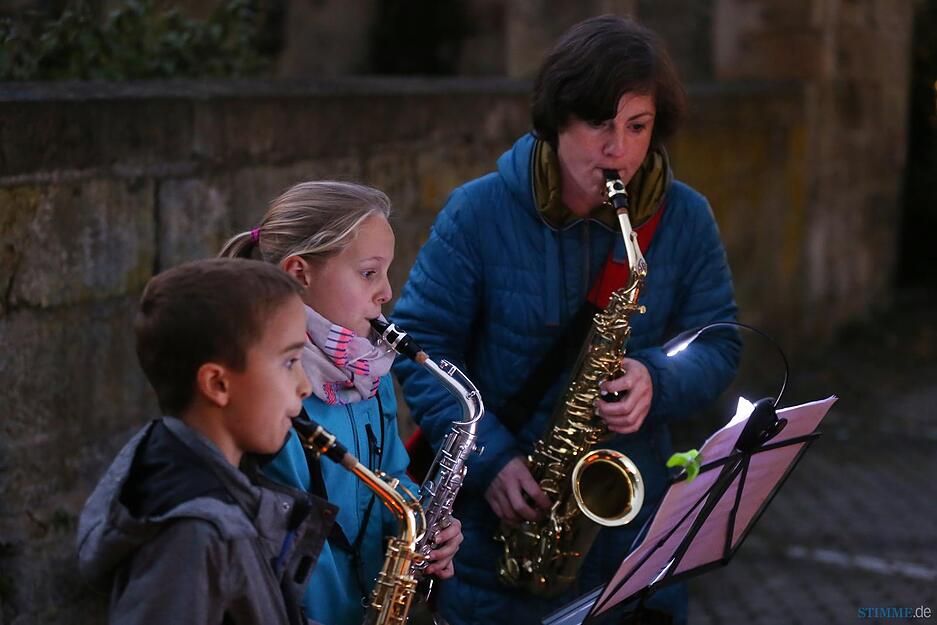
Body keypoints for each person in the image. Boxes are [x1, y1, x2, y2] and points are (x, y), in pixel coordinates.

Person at [390, 15, 742, 625]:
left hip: (637, 531)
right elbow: (419, 348)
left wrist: (658, 378)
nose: (619, 150)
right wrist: (491, 460)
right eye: (598, 124)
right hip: (500, 526)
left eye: (638, 127)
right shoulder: (478, 211)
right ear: (557, 120)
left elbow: (721, 344)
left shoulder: (685, 217)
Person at [219, 181, 463, 625]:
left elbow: (389, 477)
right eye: (369, 273)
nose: (387, 292)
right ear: (299, 274)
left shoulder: (369, 371)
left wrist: (422, 524)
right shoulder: (266, 396)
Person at [76, 258, 337, 625]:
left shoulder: (203, 478)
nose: (304, 385)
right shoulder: (194, 536)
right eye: (290, 361)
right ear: (217, 384)